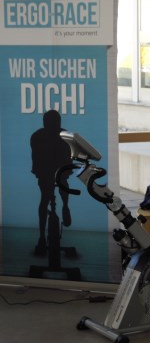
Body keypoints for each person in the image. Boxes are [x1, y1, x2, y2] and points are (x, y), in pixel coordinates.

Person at [30, 109, 72, 255]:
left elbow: (67, 158)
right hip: (48, 171)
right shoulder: (63, 135)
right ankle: (65, 207)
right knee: (47, 197)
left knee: (45, 199)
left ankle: (42, 236)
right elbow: (37, 158)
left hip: (54, 171)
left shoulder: (37, 135)